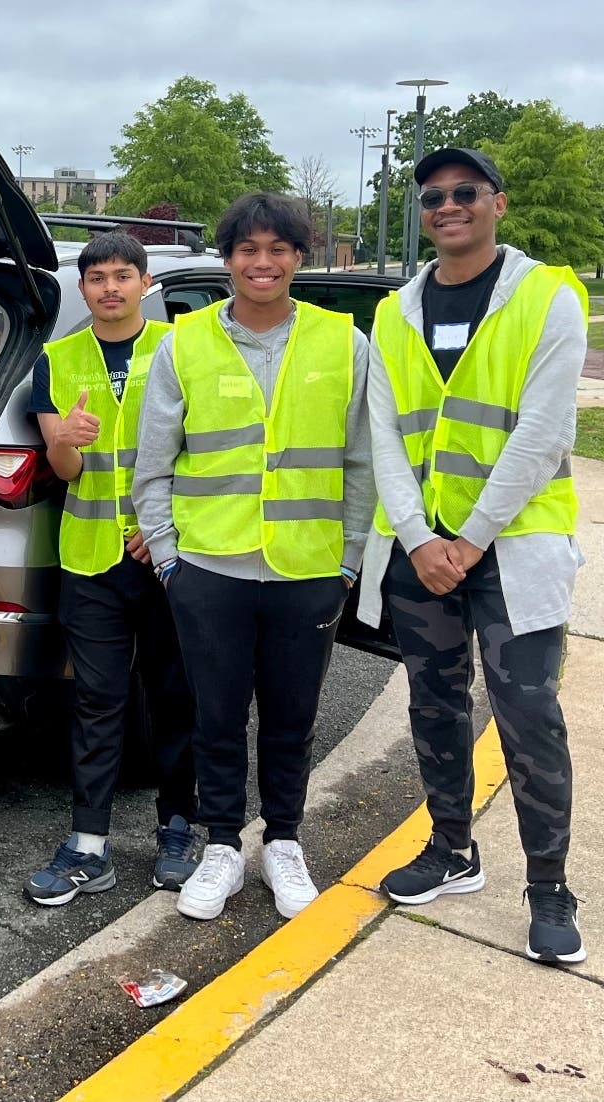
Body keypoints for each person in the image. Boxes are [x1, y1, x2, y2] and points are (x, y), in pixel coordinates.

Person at [357, 148, 589, 964]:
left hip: (512, 545)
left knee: (529, 719)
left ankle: (551, 885)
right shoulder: (395, 312)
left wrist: (467, 538)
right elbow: (383, 431)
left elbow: (544, 434)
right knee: (433, 705)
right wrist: (420, 539)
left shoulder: (546, 296)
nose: (447, 206)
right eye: (433, 197)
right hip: (423, 552)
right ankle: (452, 849)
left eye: (464, 193)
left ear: (498, 202)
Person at [133, 193, 373, 921]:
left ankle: (285, 843)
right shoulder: (184, 342)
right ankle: (221, 847)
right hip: (209, 569)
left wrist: (350, 562)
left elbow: (361, 463)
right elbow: (154, 467)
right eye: (247, 250)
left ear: (301, 257)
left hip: (309, 569)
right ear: (227, 257)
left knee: (293, 718)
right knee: (215, 715)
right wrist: (171, 562)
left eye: (278, 249)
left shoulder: (345, 343)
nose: (262, 263)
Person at [23, 231, 199, 907]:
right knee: (98, 701)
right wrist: (62, 441)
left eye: (123, 276)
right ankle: (88, 845)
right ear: (84, 288)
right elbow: (62, 470)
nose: (110, 288)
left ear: (146, 283)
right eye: (97, 278)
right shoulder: (57, 359)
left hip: (166, 555)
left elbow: (206, 454)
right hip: (91, 559)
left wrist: (165, 530)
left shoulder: (180, 350)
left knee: (176, 694)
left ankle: (178, 826)